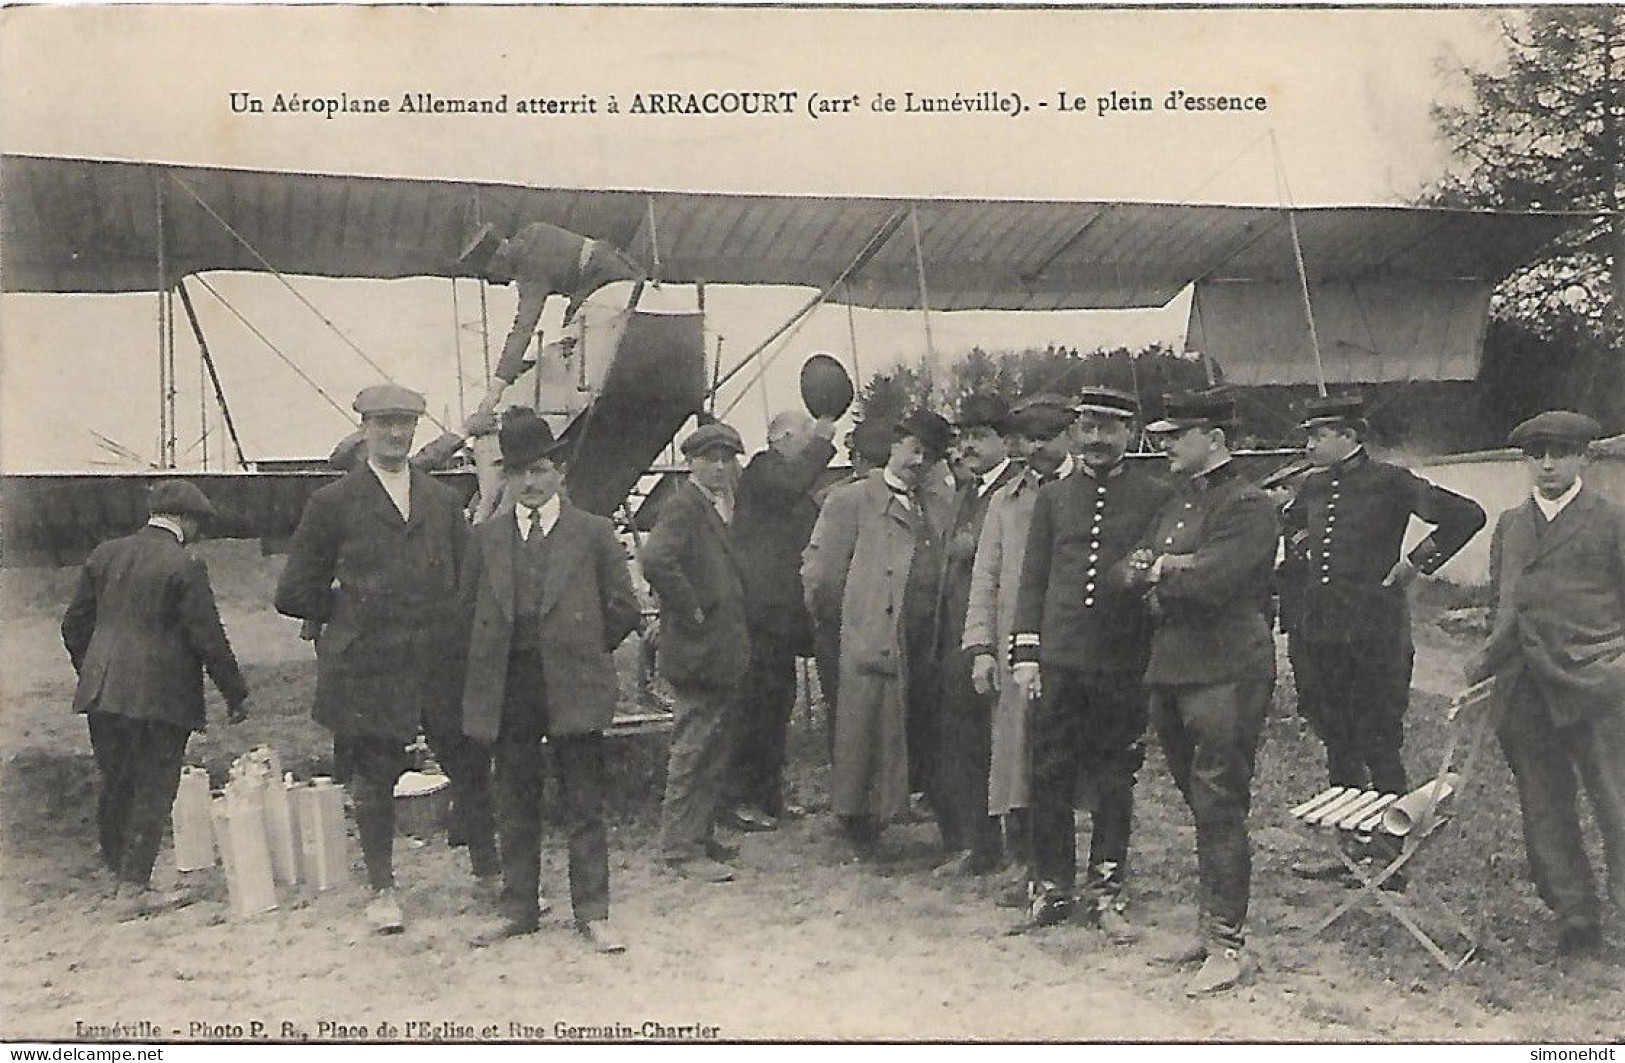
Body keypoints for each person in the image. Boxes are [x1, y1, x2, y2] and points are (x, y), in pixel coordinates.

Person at [274, 384, 487, 933]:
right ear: (365, 429)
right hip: (368, 663)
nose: (396, 434)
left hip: (438, 659)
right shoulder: (333, 503)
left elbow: (469, 581)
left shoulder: (442, 501)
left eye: (405, 424)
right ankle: (382, 889)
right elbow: (295, 590)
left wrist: (451, 630)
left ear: (416, 429)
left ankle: (490, 873)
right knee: (373, 777)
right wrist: (352, 612)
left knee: (468, 762)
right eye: (384, 423)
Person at [460, 411, 641, 952]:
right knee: (515, 797)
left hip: (573, 682)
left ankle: (592, 910)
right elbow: (466, 613)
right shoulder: (486, 539)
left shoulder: (593, 533)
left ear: (559, 471)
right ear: (505, 479)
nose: (531, 484)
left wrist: (582, 649)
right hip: (510, 684)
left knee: (583, 799)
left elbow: (624, 608)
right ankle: (518, 908)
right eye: (518, 473)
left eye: (540, 470)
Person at [1286, 394, 1485, 883]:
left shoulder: (1391, 482)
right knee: (1336, 735)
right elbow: (1290, 526)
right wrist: (1304, 546)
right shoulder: (1310, 487)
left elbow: (1468, 515)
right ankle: (1350, 848)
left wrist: (1416, 562)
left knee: (1378, 737)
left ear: (1352, 436)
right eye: (1309, 434)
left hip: (1375, 631)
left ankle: (1393, 853)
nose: (1309, 443)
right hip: (1321, 632)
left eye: (1320, 434)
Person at [1122, 388, 1278, 996]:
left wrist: (1161, 569)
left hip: (1226, 670)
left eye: (1174, 436)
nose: (1163, 446)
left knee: (1219, 803)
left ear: (1213, 438)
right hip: (1175, 667)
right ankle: (1209, 928)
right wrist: (1161, 569)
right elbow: (1126, 569)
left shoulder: (1249, 504)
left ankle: (1227, 943)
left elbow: (1215, 580)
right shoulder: (1177, 501)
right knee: (1199, 801)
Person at [1006, 388, 1173, 938]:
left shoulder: (1154, 495)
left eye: (1110, 428)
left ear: (1130, 433)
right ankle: (1052, 885)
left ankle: (1107, 888)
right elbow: (1034, 578)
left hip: (1120, 660)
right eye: (1088, 428)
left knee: (1112, 775)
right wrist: (1027, 652)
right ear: (1076, 431)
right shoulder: (1054, 498)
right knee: (1048, 768)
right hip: (1058, 657)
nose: (1097, 439)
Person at [1467, 410, 1625, 959]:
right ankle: (1575, 917)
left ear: (1584, 457)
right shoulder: (1511, 523)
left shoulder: (1611, 520)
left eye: (1560, 453)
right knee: (1544, 806)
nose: (1548, 464)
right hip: (1526, 688)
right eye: (1537, 454)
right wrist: (1487, 661)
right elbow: (1502, 604)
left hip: (1598, 686)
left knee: (1618, 806)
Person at [62, 481, 249, 917]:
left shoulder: (105, 554)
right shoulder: (185, 564)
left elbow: (73, 625)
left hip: (101, 694)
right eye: (199, 524)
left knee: (117, 779)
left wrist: (93, 672)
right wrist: (236, 694)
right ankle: (133, 889)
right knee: (154, 784)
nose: (200, 532)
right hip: (160, 697)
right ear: (186, 520)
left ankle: (117, 873)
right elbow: (209, 638)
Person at [802, 409, 955, 852]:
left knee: (916, 725)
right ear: (893, 446)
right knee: (863, 726)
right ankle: (859, 822)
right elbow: (824, 576)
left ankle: (913, 807)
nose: (918, 461)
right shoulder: (850, 501)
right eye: (913, 449)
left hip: (923, 637)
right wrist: (851, 624)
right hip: (869, 634)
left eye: (929, 455)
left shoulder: (936, 504)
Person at [961, 394, 1080, 901]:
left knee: (1081, 762)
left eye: (1045, 438)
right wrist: (982, 647)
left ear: (1069, 436)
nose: (1035, 449)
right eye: (1026, 440)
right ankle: (1031, 865)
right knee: (1017, 755)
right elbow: (985, 576)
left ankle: (1095, 872)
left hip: (1078, 647)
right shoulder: (1007, 501)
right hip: (1020, 649)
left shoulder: (1088, 490)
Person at [643, 419, 751, 882]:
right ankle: (679, 846)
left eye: (728, 459)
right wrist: (692, 611)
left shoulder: (716, 505)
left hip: (719, 647)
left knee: (714, 744)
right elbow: (655, 560)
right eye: (712, 459)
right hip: (697, 648)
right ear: (693, 462)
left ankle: (699, 835)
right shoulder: (684, 506)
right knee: (692, 746)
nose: (722, 467)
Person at [727, 409, 838, 831]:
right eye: (805, 440)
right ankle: (739, 798)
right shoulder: (763, 469)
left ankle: (768, 795)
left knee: (776, 707)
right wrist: (823, 442)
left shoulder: (783, 487)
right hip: (758, 614)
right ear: (785, 438)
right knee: (753, 708)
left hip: (780, 618)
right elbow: (791, 486)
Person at [931, 394, 1023, 876]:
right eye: (963, 436)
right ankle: (977, 844)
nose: (967, 445)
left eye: (979, 436)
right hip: (958, 635)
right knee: (963, 741)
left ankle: (1016, 850)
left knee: (1003, 742)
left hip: (995, 632)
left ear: (1004, 441)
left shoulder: (1015, 490)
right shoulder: (966, 491)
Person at [457, 221, 644, 383]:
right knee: (571, 327)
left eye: (492, 274)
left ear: (498, 259)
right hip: (618, 262)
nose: (500, 281)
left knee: (572, 339)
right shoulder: (534, 231)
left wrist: (498, 383)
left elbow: (523, 328)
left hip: (602, 277)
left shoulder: (529, 269)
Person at [812, 417, 897, 764]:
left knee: (845, 709)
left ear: (858, 457)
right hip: (895, 623)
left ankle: (852, 797)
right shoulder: (915, 497)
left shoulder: (838, 499)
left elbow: (823, 575)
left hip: (846, 624)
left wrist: (826, 616)